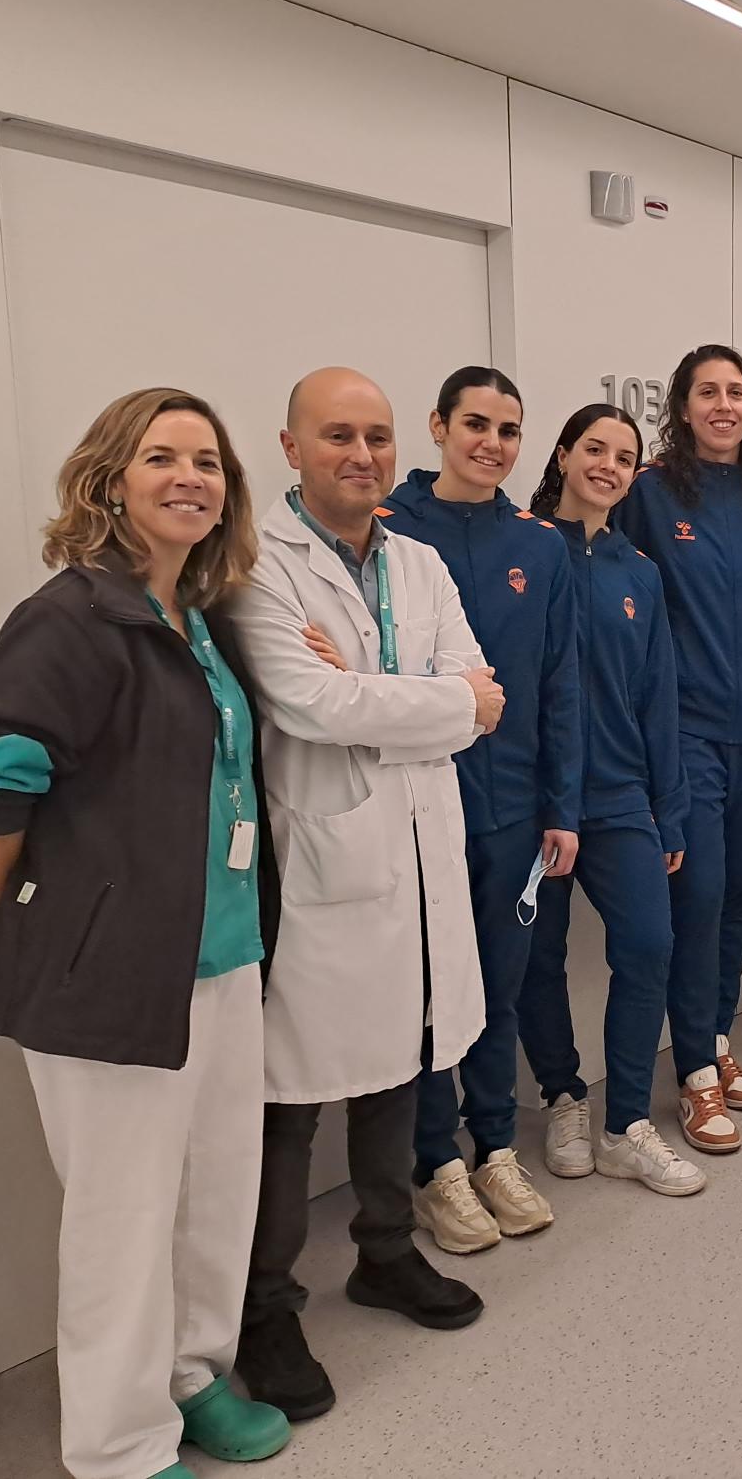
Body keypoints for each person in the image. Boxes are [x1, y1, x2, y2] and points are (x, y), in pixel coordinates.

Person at [0, 388, 289, 1479]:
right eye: (160, 456)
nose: (190, 476)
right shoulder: (73, 616)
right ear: (109, 478)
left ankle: (191, 1377)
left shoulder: (199, 615)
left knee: (215, 1193)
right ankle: (119, 1445)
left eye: (208, 461)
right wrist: (5, 914)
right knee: (123, 1218)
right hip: (111, 973)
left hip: (224, 957)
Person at [230, 367, 499, 1421]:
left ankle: (385, 1253)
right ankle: (263, 1308)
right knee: (292, 1101)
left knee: (400, 1067)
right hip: (325, 865)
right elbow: (306, 702)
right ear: (290, 448)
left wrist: (397, 698)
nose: (364, 454)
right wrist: (435, 699)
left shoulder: (421, 562)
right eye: (338, 435)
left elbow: (485, 700)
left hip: (422, 851)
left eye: (378, 437)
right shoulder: (257, 565)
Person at [373, 366, 583, 1253]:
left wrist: (560, 805)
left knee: (498, 984)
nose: (491, 443)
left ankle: (495, 1144)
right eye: (476, 424)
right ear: (437, 426)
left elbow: (562, 683)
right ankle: (435, 1165)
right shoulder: (386, 530)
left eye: (508, 429)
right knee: (428, 993)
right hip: (414, 807)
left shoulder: (540, 547)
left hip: (509, 809)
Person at [612, 344, 742, 1156]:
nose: (723, 405)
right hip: (686, 729)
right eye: (707, 392)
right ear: (682, 407)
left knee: (740, 892)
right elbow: (625, 602)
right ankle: (692, 1071)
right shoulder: (651, 494)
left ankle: (717, 1040)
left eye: (736, 392)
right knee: (701, 894)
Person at [522, 404, 704, 1195]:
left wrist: (670, 806)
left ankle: (626, 1120)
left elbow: (659, 696)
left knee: (649, 944)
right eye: (593, 448)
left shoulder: (639, 570)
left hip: (621, 792)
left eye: (624, 456)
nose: (607, 464)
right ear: (563, 456)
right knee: (539, 956)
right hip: (534, 798)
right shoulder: (522, 550)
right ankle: (562, 1094)